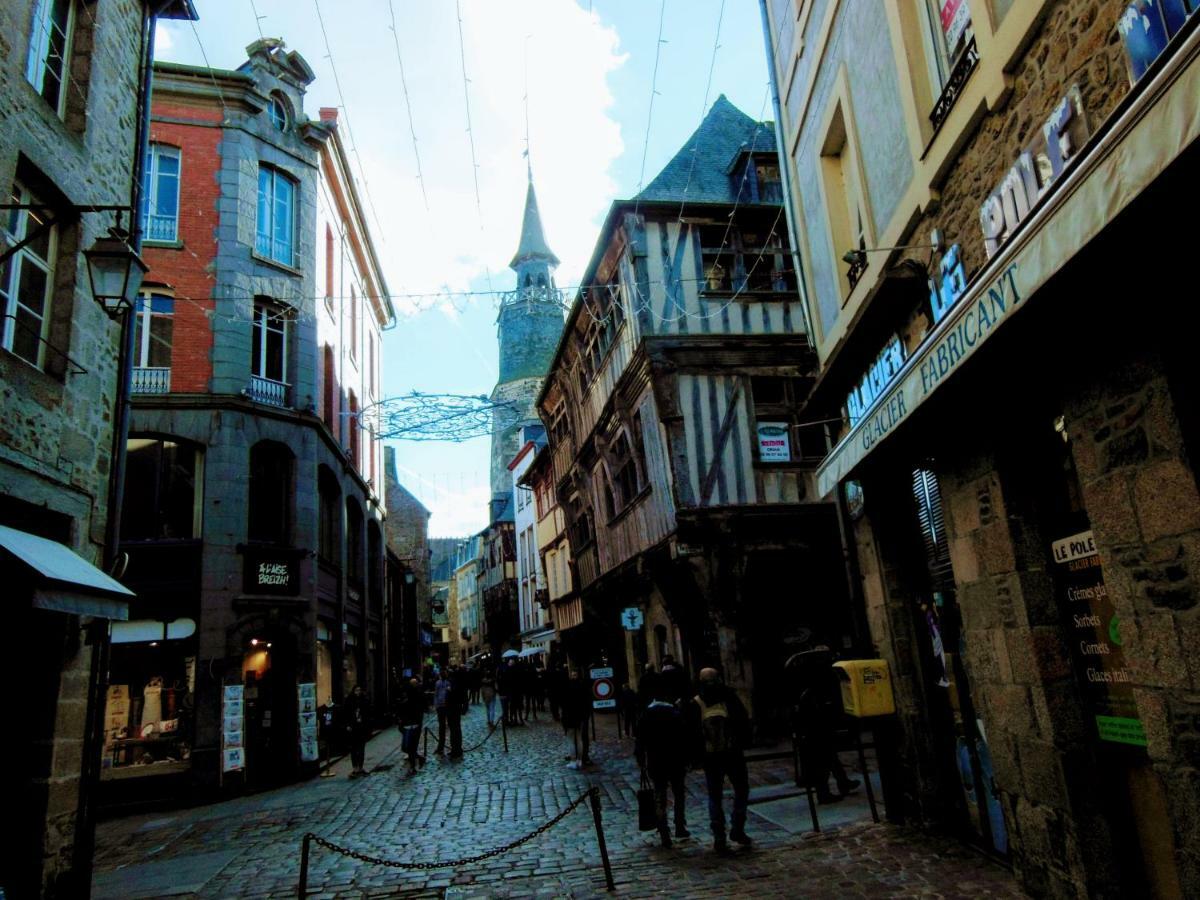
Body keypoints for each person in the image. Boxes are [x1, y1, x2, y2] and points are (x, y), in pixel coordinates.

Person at [688, 668, 751, 853]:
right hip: (732, 753)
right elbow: (742, 720)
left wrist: (696, 756)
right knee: (741, 789)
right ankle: (738, 827)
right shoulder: (728, 696)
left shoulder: (697, 702)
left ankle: (719, 835)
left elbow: (692, 733)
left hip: (711, 756)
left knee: (714, 795)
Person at [636, 684, 690, 848]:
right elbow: (684, 737)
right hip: (676, 760)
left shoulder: (647, 715)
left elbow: (640, 742)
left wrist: (641, 762)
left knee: (659, 795)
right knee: (679, 793)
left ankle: (663, 830)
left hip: (656, 761)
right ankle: (680, 826)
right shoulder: (675, 713)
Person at [560, 669, 592, 768]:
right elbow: (586, 702)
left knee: (571, 740)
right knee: (579, 739)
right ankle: (579, 760)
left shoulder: (567, 687)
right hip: (579, 717)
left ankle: (573, 761)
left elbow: (564, 704)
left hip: (570, 717)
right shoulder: (582, 687)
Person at [396, 677, 427, 776]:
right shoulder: (407, 698)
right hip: (408, 724)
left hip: (413, 724)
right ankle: (416, 760)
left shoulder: (418, 695)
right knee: (407, 747)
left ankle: (413, 766)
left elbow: (421, 708)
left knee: (410, 747)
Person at [343, 684, 370, 778]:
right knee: (354, 749)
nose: (358, 692)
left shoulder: (364, 701)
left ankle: (360, 767)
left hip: (362, 728)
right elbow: (346, 714)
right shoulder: (349, 701)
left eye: (359, 690)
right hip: (353, 728)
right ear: (353, 691)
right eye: (356, 690)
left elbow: (368, 714)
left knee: (361, 749)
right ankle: (355, 768)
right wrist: (348, 725)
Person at [446, 665, 466, 758]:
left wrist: (449, 690)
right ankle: (455, 748)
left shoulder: (454, 682)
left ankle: (456, 749)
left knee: (455, 729)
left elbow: (455, 693)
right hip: (454, 707)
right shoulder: (455, 681)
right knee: (454, 729)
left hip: (453, 707)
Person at [433, 669, 452, 755]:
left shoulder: (448, 683)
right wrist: (436, 705)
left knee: (446, 726)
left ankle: (448, 746)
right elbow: (436, 694)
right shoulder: (438, 683)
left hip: (447, 706)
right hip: (441, 706)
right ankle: (440, 746)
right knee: (441, 727)